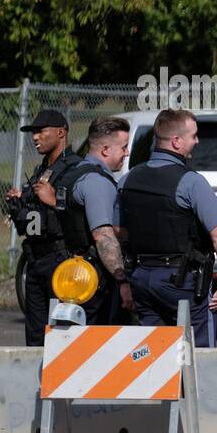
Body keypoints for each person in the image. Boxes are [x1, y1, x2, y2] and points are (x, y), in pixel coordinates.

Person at [119, 108, 217, 347]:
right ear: (176, 141)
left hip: (142, 279)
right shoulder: (191, 182)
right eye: (193, 135)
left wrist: (126, 278)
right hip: (182, 283)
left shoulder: (128, 179)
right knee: (197, 354)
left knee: (153, 353)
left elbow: (118, 232)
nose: (197, 141)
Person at [30, 117, 134, 326]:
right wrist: (122, 280)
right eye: (123, 147)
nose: (127, 153)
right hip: (96, 280)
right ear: (105, 149)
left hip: (73, 271)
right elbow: (102, 235)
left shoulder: (72, 175)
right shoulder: (97, 181)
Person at [4, 108, 82, 345]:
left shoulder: (75, 168)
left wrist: (54, 200)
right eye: (33, 133)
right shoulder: (42, 169)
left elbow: (81, 209)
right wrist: (20, 201)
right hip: (35, 259)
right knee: (36, 335)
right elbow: (34, 214)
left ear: (61, 133)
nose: (35, 137)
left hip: (60, 258)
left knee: (63, 333)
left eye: (41, 131)